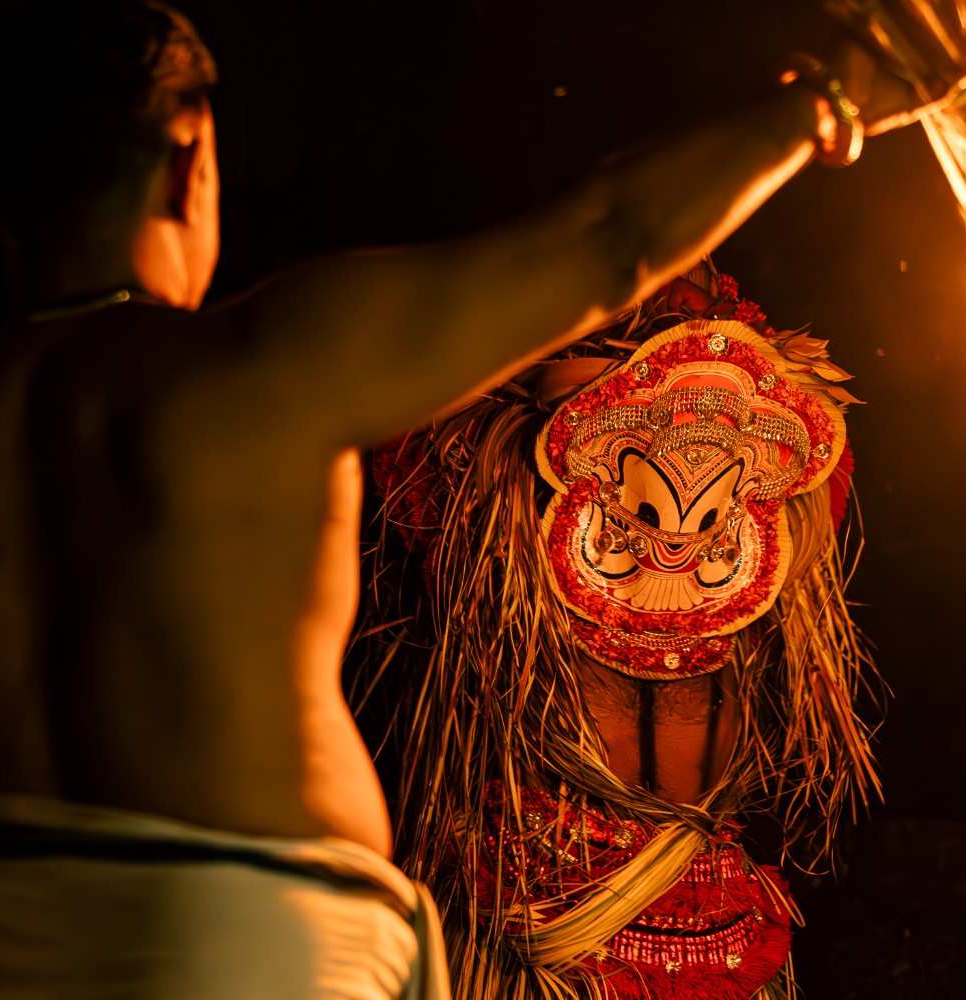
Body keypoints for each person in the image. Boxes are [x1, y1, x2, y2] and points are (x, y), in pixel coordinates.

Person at [0, 0, 945, 995]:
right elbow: (614, 238)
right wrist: (828, 100)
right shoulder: (262, 363)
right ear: (191, 158)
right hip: (248, 942)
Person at [359, 262, 875, 998]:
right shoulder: (511, 526)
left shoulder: (494, 517)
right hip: (565, 921)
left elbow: (406, 434)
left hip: (661, 914)